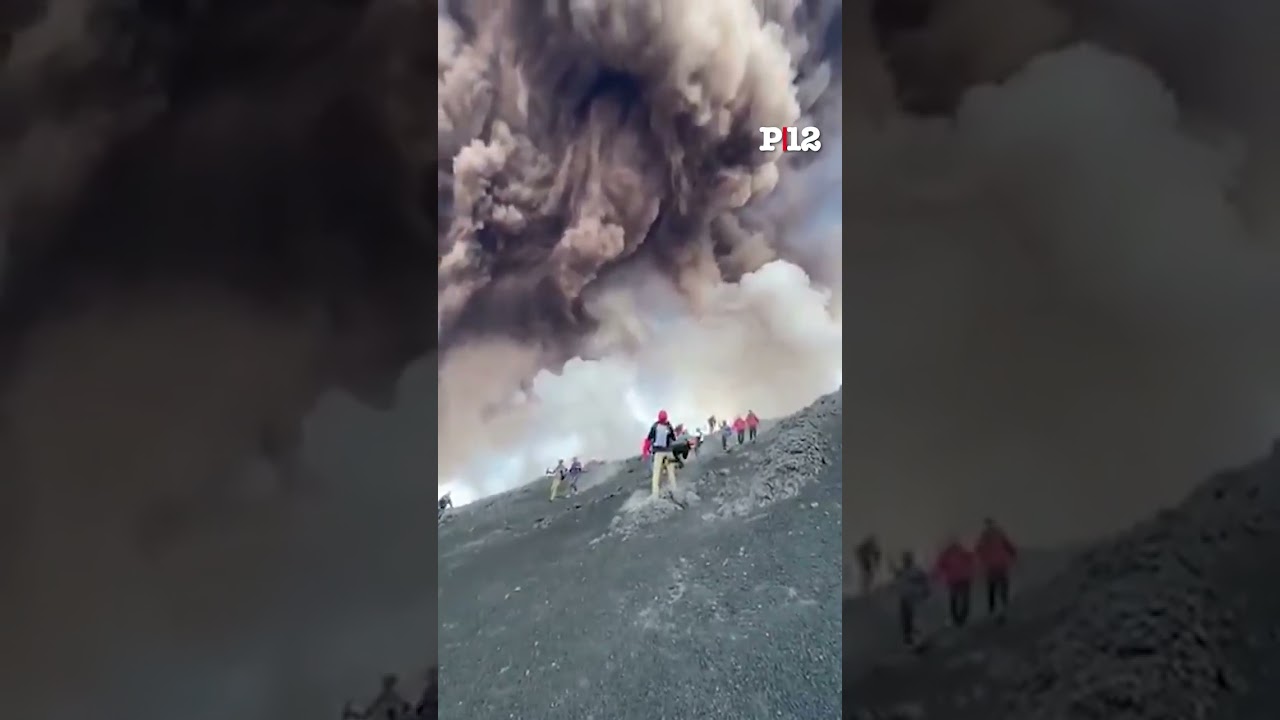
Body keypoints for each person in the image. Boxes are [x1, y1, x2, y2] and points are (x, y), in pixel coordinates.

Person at [975, 517, 1018, 620]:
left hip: (991, 566)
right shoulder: (999, 534)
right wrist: (1013, 555)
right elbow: (1009, 546)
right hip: (1001, 564)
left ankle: (993, 609)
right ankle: (1004, 605)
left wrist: (981, 559)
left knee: (992, 588)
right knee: (1002, 586)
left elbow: (978, 549)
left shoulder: (984, 536)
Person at [933, 537, 976, 628]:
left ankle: (957, 618)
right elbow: (971, 558)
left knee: (955, 599)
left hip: (955, 580)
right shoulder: (961, 552)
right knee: (963, 599)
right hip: (962, 578)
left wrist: (936, 575)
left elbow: (939, 566)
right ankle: (961, 618)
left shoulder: (947, 554)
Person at [893, 551, 930, 648]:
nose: (905, 561)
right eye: (904, 559)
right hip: (905, 599)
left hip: (914, 599)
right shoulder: (902, 571)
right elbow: (897, 576)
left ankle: (919, 642)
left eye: (907, 559)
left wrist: (926, 591)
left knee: (916, 620)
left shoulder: (916, 571)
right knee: (906, 620)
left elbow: (925, 581)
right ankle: (909, 639)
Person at [343, 674, 411, 719]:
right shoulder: (387, 693)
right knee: (364, 716)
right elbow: (377, 702)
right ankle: (350, 711)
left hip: (385, 713)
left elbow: (398, 700)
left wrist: (404, 705)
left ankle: (350, 712)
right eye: (391, 683)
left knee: (364, 716)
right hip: (382, 713)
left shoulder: (390, 693)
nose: (393, 685)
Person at [646, 410, 679, 497]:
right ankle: (674, 489)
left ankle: (655, 493)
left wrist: (646, 450)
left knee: (656, 473)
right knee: (671, 472)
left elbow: (649, 438)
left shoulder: (655, 426)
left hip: (658, 452)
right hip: (668, 452)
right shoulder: (668, 426)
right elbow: (674, 438)